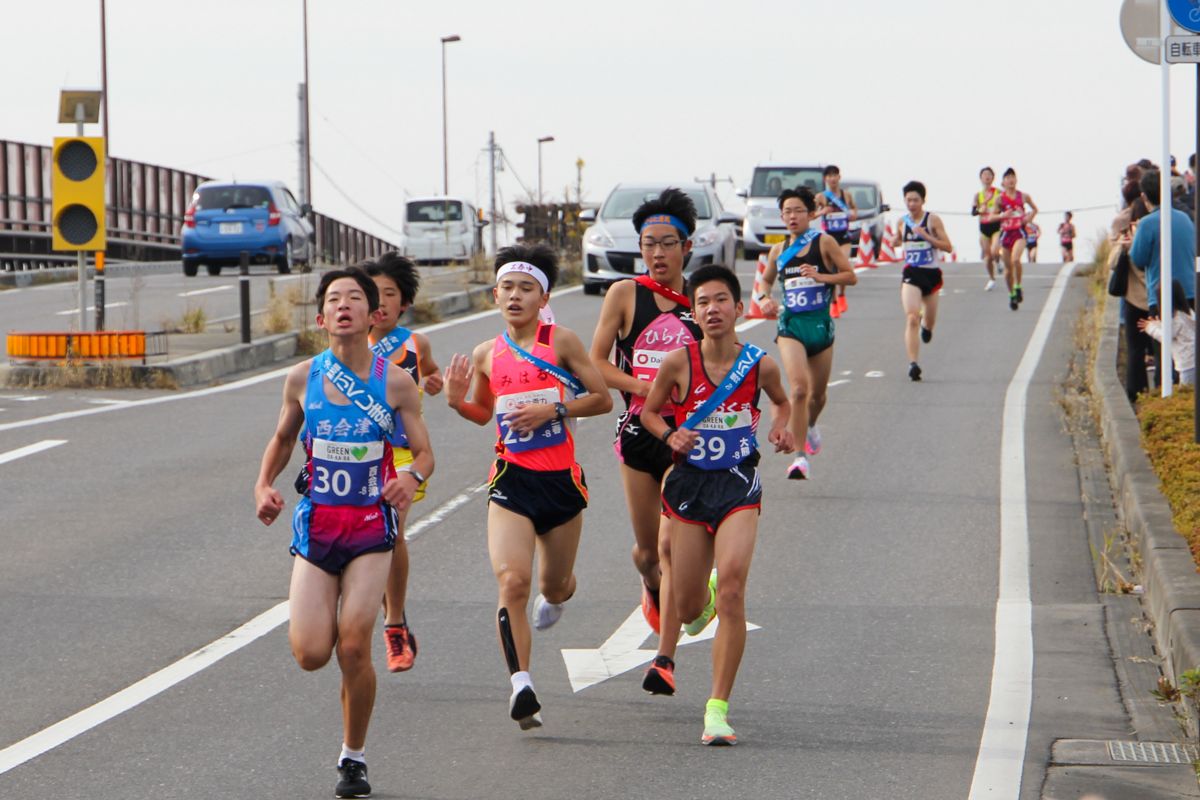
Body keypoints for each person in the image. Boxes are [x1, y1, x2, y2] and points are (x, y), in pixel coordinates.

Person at [254, 267, 434, 799]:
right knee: (312, 653)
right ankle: (346, 713)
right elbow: (284, 438)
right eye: (334, 299)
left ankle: (352, 758)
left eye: (356, 297)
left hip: (370, 528)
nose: (345, 305)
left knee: (354, 646)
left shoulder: (395, 382)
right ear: (321, 317)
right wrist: (263, 484)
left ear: (374, 313)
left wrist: (411, 475)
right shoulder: (301, 378)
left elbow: (424, 452)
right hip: (319, 526)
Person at [445, 244, 611, 730]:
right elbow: (482, 414)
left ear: (544, 297)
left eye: (526, 288)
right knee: (511, 581)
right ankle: (521, 684)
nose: (515, 296)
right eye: (507, 288)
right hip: (511, 480)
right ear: (495, 295)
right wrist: (458, 403)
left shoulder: (562, 343)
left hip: (560, 482)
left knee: (553, 584)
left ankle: (557, 596)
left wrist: (554, 409)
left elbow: (602, 399)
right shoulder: (485, 354)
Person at [639, 264, 794, 746]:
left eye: (721, 299)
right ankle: (697, 599)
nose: (712, 309)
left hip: (737, 485)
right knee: (685, 609)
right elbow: (647, 412)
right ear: (693, 309)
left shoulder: (759, 364)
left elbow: (782, 401)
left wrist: (780, 427)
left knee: (733, 588)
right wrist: (671, 433)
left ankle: (717, 709)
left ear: (736, 304)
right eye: (702, 301)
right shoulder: (678, 363)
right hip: (688, 487)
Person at [589, 188, 703, 634]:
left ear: (687, 247)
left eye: (668, 243)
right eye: (648, 244)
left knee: (670, 538)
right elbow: (597, 361)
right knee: (646, 551)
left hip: (689, 435)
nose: (658, 253)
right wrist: (644, 387)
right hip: (638, 431)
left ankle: (670, 645)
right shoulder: (624, 294)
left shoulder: (702, 297)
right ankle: (651, 584)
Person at [361, 252, 443, 673]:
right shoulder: (348, 346)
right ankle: (390, 619)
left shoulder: (415, 343)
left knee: (390, 531)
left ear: (403, 303)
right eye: (371, 293)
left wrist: (434, 381)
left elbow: (430, 373)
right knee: (369, 536)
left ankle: (394, 624)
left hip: (406, 454)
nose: (379, 301)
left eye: (389, 294)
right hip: (361, 455)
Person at [753, 187, 857, 479]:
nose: (792, 216)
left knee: (818, 396)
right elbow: (764, 283)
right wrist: (765, 299)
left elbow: (851, 276)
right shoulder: (778, 250)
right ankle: (799, 458)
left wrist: (821, 276)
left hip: (820, 326)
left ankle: (810, 425)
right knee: (799, 389)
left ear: (811, 214)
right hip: (791, 327)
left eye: (798, 210)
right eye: (787, 211)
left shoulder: (823, 243)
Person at [890, 181, 953, 381]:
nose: (912, 204)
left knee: (929, 320)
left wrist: (926, 236)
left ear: (923, 201)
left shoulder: (932, 220)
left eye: (915, 200)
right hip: (911, 273)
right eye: (908, 200)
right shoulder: (902, 222)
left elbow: (948, 247)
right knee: (911, 317)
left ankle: (927, 328)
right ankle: (913, 364)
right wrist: (895, 241)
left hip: (931, 274)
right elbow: (898, 239)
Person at [1131, 170, 1197, 319]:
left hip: (1161, 297)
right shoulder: (1185, 219)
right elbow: (1195, 254)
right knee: (1189, 340)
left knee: (1165, 341)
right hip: (1191, 293)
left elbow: (1138, 260)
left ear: (1144, 196)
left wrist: (1134, 240)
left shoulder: (1146, 224)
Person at [814, 165, 857, 316]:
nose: (832, 178)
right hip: (828, 239)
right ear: (825, 179)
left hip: (844, 237)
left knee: (843, 266)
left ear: (839, 177)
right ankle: (833, 303)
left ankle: (841, 294)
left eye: (835, 175)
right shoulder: (821, 197)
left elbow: (854, 211)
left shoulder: (847, 195)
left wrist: (852, 215)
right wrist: (822, 211)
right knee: (830, 270)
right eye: (829, 176)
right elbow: (811, 215)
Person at [1139, 280, 1196, 386]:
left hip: (1187, 363)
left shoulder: (1175, 318)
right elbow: (1174, 330)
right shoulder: (1187, 312)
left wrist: (1150, 328)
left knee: (1185, 391)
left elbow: (1166, 336)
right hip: (1193, 359)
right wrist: (1157, 324)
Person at [997, 168, 1038, 311]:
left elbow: (1035, 209)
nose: (1010, 180)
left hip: (1019, 232)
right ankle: (1012, 294)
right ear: (1003, 182)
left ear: (1016, 179)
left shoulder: (1024, 196)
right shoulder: (1000, 198)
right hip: (1006, 233)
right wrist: (1002, 216)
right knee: (1008, 270)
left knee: (1016, 259)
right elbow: (991, 217)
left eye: (1012, 177)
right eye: (1007, 177)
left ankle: (1018, 286)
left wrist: (1028, 218)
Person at [971, 166, 1002, 290]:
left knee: (995, 251)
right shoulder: (978, 195)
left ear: (993, 178)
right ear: (981, 178)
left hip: (996, 226)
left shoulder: (999, 193)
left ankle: (999, 262)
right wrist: (980, 210)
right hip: (984, 228)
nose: (987, 177)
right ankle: (991, 278)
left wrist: (998, 211)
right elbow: (973, 212)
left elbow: (1005, 207)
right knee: (988, 257)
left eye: (989, 174)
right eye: (984, 175)